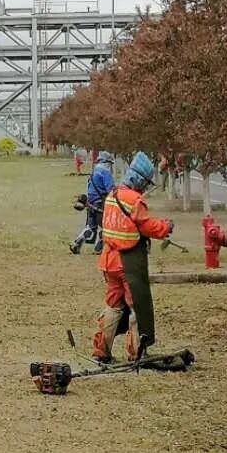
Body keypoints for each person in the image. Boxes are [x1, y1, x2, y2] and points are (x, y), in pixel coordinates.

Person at [91, 151, 174, 364]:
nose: (145, 187)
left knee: (113, 306)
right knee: (137, 307)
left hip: (108, 260)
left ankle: (101, 351)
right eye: (145, 183)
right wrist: (165, 227)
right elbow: (147, 226)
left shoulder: (112, 195)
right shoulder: (134, 200)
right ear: (139, 179)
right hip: (127, 264)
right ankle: (136, 352)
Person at [69, 151, 114, 255]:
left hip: (90, 203)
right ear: (106, 162)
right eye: (110, 163)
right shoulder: (105, 172)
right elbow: (111, 190)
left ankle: (77, 243)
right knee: (106, 227)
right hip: (101, 204)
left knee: (90, 227)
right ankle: (99, 248)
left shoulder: (94, 171)